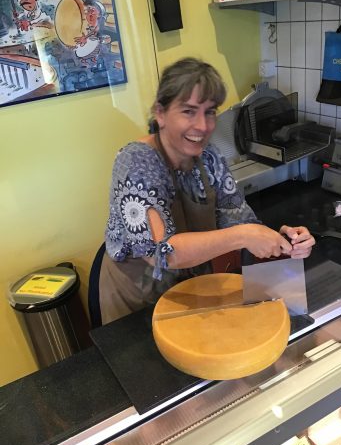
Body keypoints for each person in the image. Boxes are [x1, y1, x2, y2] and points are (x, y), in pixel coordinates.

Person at [99, 57, 315, 324]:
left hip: (193, 290)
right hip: (137, 301)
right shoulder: (136, 162)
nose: (202, 126)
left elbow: (242, 221)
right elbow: (163, 252)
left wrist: (284, 240)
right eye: (188, 111)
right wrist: (244, 235)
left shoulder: (209, 158)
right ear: (161, 113)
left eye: (210, 111)